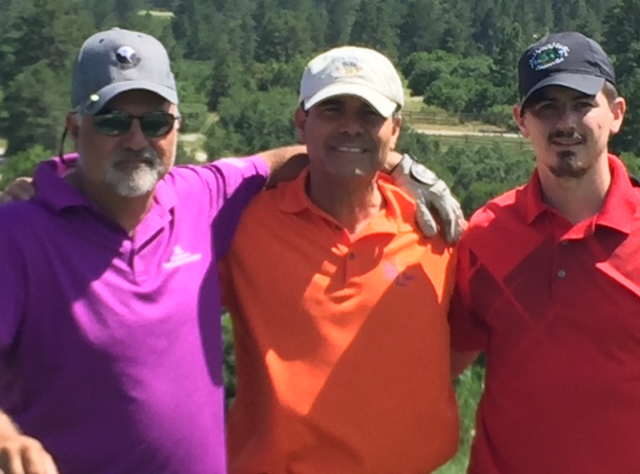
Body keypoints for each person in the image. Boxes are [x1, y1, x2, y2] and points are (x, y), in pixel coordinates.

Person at [0, 30, 464, 474]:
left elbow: (294, 157)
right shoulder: (22, 231)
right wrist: (7, 439)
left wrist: (400, 165)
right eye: (112, 121)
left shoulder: (202, 198)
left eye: (155, 122)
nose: (137, 139)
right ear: (75, 127)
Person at [220, 46, 459, 473]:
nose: (350, 126)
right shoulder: (244, 226)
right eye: (332, 110)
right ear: (301, 122)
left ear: (395, 130)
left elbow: (466, 337)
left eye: (369, 114)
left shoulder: (436, 230)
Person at [449, 31, 639, 473]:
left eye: (582, 104)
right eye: (547, 106)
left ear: (616, 113)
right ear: (521, 120)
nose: (565, 122)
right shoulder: (485, 234)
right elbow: (441, 365)